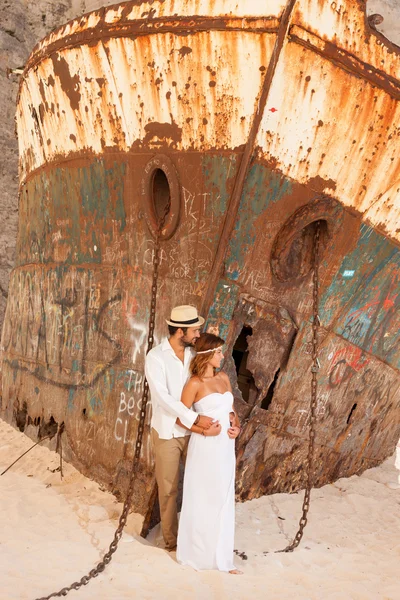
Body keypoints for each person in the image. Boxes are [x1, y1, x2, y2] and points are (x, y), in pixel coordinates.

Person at [145, 306, 220, 551]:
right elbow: (163, 398)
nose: (198, 334)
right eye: (195, 330)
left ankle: (196, 537)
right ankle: (172, 542)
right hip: (168, 432)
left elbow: (210, 365)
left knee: (199, 483)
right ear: (180, 331)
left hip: (193, 433)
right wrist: (194, 418)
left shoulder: (192, 353)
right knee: (168, 490)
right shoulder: (155, 357)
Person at [176, 332, 242, 574]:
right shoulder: (194, 383)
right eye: (218, 352)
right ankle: (197, 556)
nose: (222, 355)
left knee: (223, 498)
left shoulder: (223, 377)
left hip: (225, 447)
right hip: (205, 448)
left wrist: (236, 426)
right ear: (206, 355)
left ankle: (222, 559)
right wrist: (203, 432)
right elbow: (180, 418)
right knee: (203, 497)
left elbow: (231, 409)